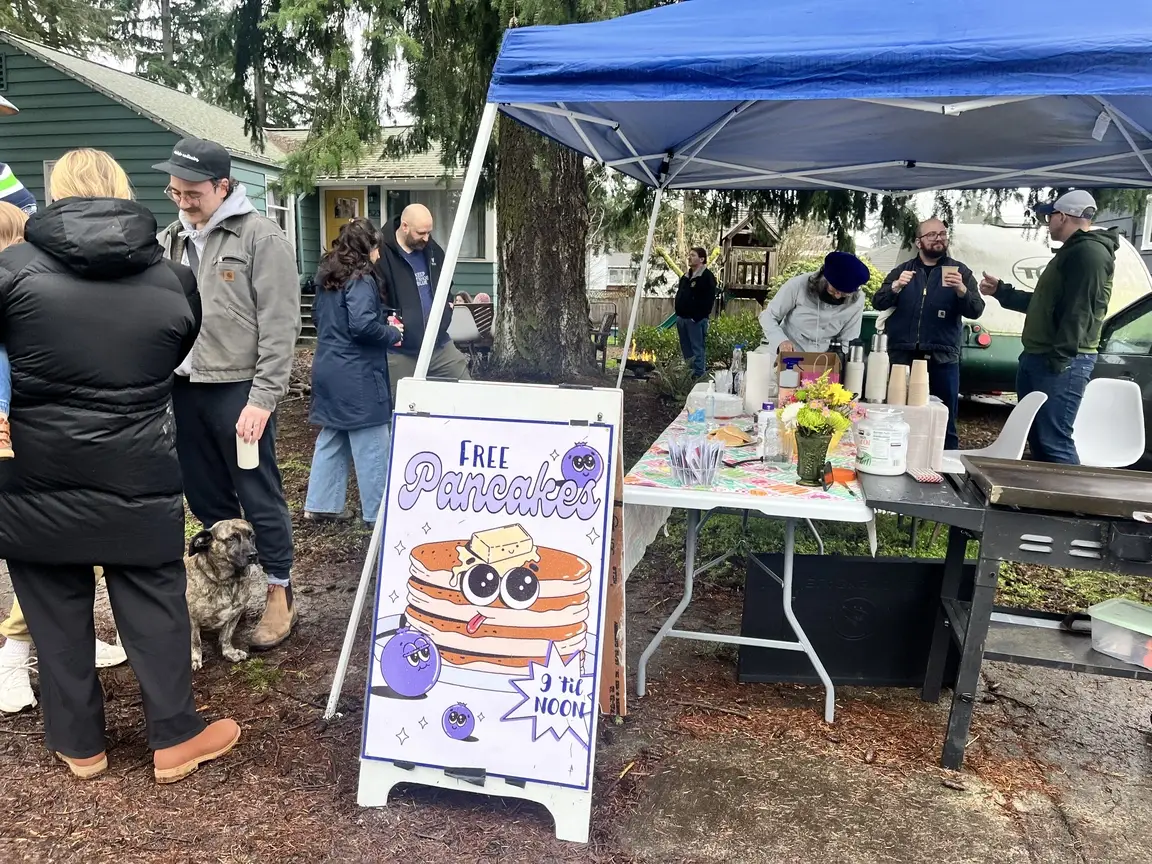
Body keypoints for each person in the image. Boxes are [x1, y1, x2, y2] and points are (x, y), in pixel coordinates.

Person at [0, 149, 239, 780]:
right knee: (154, 597)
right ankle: (174, 737)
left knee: (53, 602)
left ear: (57, 193)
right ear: (121, 191)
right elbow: (175, 349)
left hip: (33, 466)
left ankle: (80, 744)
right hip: (138, 462)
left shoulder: (11, 269)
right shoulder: (173, 278)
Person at [154, 138, 301, 650]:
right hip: (184, 387)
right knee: (205, 496)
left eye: (192, 192)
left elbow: (281, 327)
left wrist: (262, 399)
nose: (183, 201)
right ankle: (230, 596)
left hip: (238, 388)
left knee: (257, 492)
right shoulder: (168, 240)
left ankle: (280, 595)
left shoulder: (261, 238)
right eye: (174, 191)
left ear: (223, 185)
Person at [0, 201, 126, 715]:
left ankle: (72, 635)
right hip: (24, 443)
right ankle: (14, 653)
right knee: (46, 553)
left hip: (60, 436)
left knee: (82, 543)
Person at [980, 191, 1118, 464]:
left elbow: (1080, 311)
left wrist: (1060, 360)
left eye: (1050, 215)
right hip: (1042, 356)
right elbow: (1047, 304)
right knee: (1039, 439)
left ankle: (1075, 505)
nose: (1047, 222)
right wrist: (1002, 292)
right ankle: (1047, 505)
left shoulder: (1089, 253)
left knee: (1054, 441)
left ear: (1063, 217)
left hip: (1062, 360)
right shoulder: (1074, 252)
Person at [304, 219, 403, 526]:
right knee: (372, 438)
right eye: (377, 246)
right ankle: (378, 513)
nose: (379, 253)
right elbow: (361, 326)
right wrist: (391, 333)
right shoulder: (361, 278)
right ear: (369, 247)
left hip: (328, 365)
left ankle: (321, 504)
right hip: (357, 373)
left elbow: (319, 318)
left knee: (333, 434)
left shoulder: (326, 276)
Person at [873, 218, 985, 450]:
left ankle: (946, 472)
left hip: (943, 356)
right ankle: (896, 459)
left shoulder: (960, 271)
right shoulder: (903, 270)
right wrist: (895, 287)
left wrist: (962, 290)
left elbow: (976, 310)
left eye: (942, 234)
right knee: (899, 415)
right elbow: (878, 302)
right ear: (918, 242)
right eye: (931, 234)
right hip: (903, 356)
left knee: (944, 421)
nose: (938, 238)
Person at [375, 204, 471, 402]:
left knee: (467, 392)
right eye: (421, 233)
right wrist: (388, 323)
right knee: (402, 407)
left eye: (429, 232)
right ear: (404, 226)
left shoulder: (433, 251)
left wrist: (447, 309)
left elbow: (446, 287)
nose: (426, 238)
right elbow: (374, 297)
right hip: (401, 351)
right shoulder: (382, 255)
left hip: (439, 345)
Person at [759, 250, 869, 357]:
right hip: (788, 354)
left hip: (825, 361)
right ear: (823, 278)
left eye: (844, 294)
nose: (837, 296)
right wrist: (781, 341)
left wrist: (840, 363)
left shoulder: (858, 300)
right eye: (833, 290)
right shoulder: (798, 285)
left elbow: (848, 340)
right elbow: (768, 316)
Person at [674, 247, 717, 377]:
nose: (689, 257)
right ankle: (688, 376)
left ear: (702, 259)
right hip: (682, 319)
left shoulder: (706, 277)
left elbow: (709, 300)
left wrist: (697, 317)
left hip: (696, 321)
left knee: (697, 350)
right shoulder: (685, 277)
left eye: (693, 255)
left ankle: (698, 377)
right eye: (689, 255)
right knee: (686, 350)